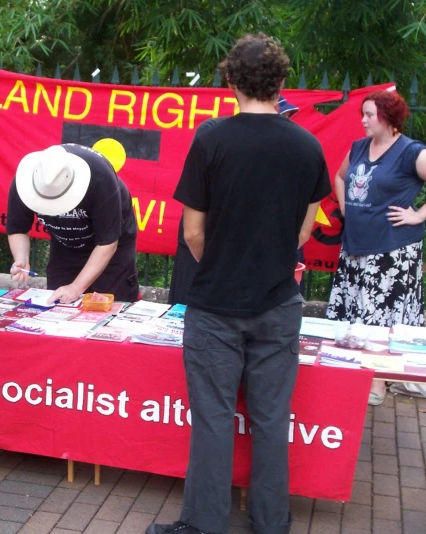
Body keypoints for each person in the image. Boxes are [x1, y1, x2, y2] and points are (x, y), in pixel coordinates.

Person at [147, 33, 330, 534]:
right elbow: (305, 230)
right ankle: (272, 522)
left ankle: (204, 524)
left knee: (213, 418)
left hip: (216, 305)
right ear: (282, 82)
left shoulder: (211, 140)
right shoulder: (308, 145)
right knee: (272, 420)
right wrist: (266, 260)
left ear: (229, 80)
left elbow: (192, 232)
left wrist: (222, 265)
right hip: (278, 302)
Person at [325, 89, 426, 405]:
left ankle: (377, 382)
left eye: (369, 114)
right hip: (356, 245)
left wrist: (419, 214)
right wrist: (347, 208)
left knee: (381, 317)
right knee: (354, 311)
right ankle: (352, 372)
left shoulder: (412, 152)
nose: (363, 120)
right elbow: (340, 177)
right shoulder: (358, 148)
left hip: (391, 250)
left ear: (388, 117)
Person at [168, 96, 300, 305]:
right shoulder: (214, 133)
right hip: (205, 248)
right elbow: (195, 222)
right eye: (283, 116)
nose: (286, 124)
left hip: (241, 261)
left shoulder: (289, 148)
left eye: (290, 118)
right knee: (185, 312)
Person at [7, 143, 139, 303]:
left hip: (112, 249)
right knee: (57, 304)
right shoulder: (26, 179)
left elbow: (108, 243)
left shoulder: (100, 178)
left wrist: (76, 287)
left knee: (109, 307)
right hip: (65, 246)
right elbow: (17, 227)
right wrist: (22, 258)